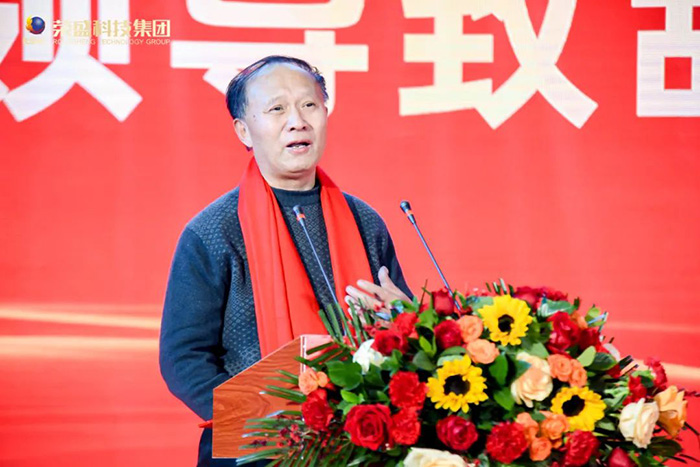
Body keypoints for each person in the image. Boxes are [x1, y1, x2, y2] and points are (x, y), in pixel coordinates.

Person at [159, 55, 411, 467]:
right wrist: (264, 425)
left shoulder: (365, 222)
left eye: (309, 105)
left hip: (359, 446)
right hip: (256, 450)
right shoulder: (213, 231)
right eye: (277, 109)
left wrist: (402, 318)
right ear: (244, 130)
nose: (297, 121)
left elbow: (400, 330)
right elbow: (182, 358)